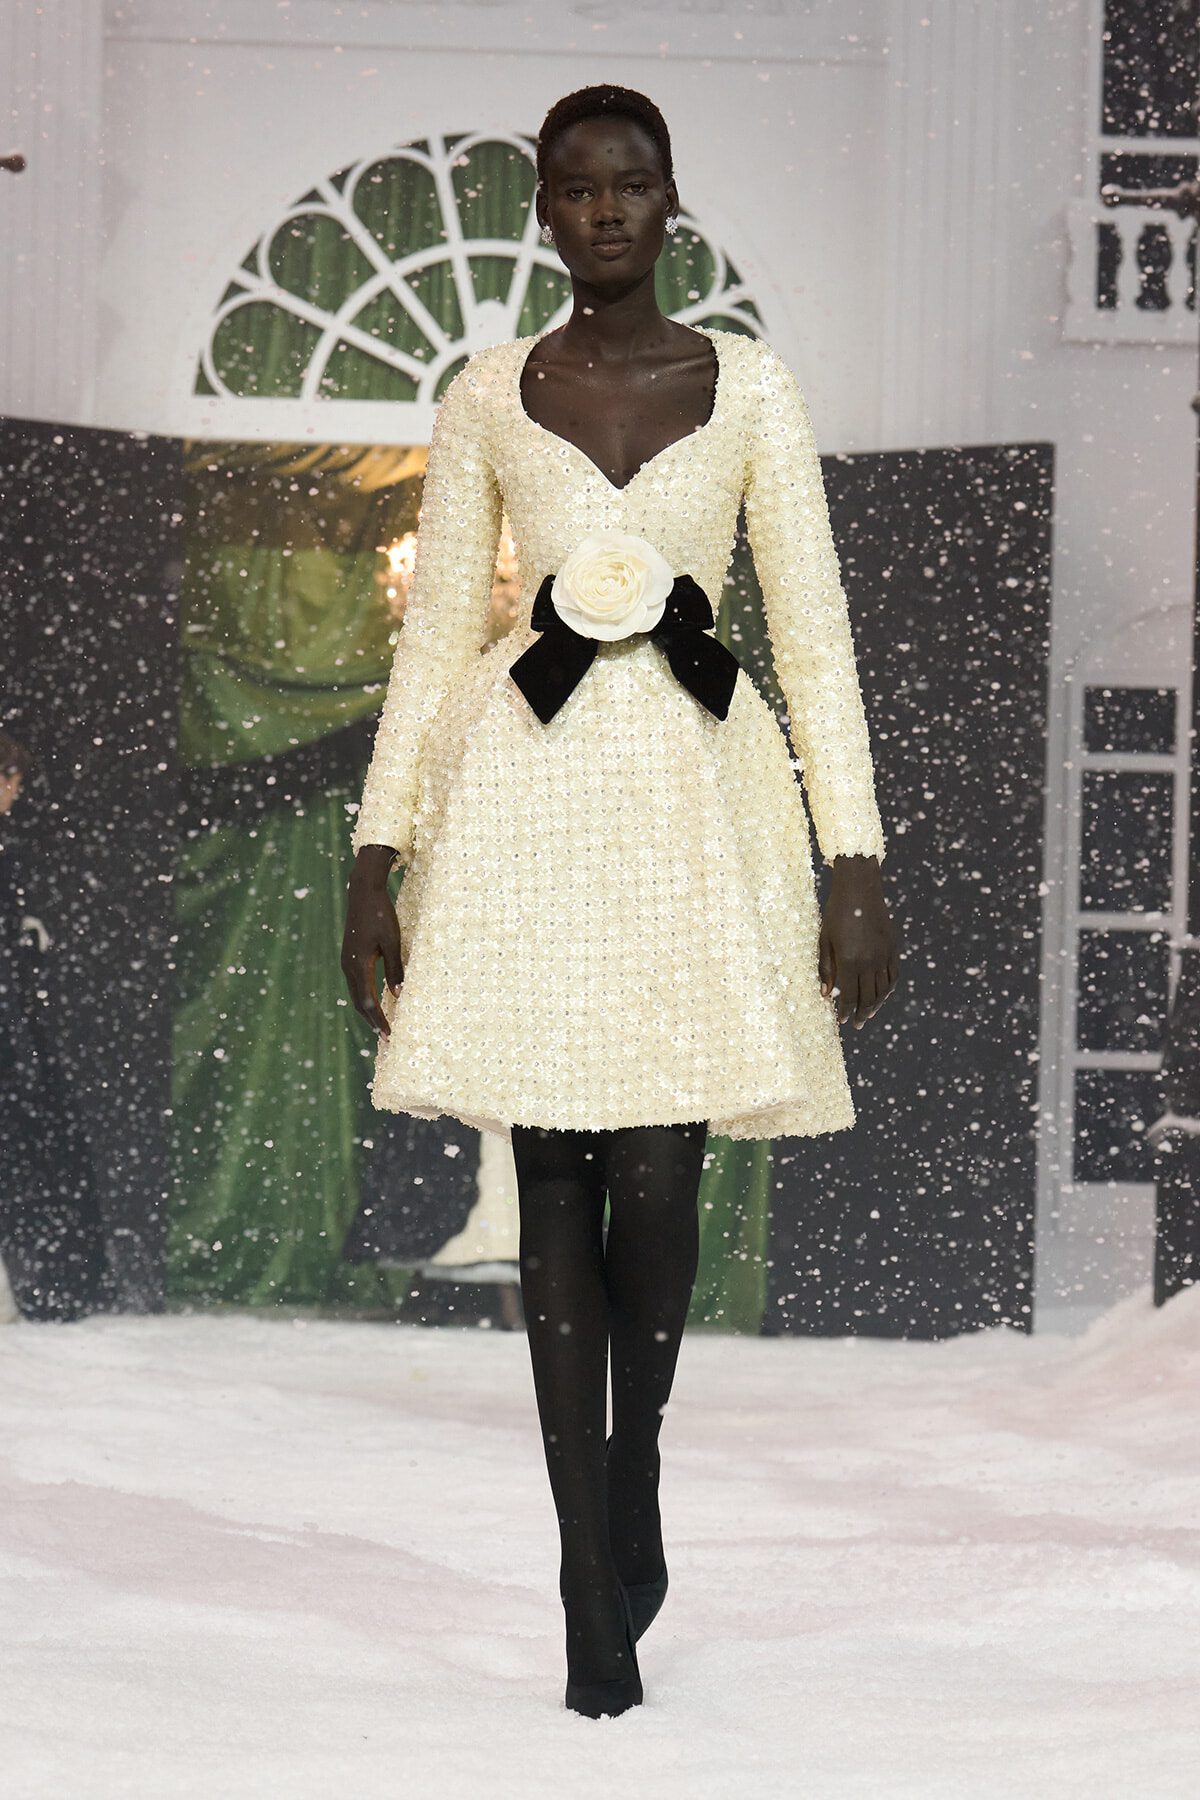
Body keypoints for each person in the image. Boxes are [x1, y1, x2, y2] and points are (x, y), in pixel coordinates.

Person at [342, 85, 897, 1718]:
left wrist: (854, 858)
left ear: (670, 202)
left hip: (700, 809)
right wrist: (377, 854)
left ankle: (629, 1459)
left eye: (629, 185)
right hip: (523, 805)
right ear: (543, 210)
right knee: (555, 1186)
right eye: (575, 190)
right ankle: (590, 1572)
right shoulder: (488, 392)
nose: (602, 212)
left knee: (662, 1184)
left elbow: (811, 637)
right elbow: (440, 630)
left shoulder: (753, 390)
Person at [0, 731, 107, 1320]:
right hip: (13, 1043)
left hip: (17, 1041)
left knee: (33, 1158)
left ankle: (38, 1289)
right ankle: (40, 1289)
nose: (14, 791)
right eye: (9, 777)